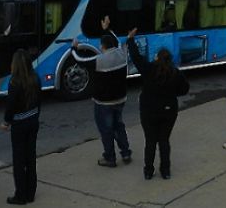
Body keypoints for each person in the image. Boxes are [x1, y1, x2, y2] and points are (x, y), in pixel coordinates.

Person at [126, 28, 190, 180]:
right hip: (168, 110)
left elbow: (136, 57)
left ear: (157, 58)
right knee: (164, 141)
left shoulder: (149, 69)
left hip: (148, 111)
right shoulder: (175, 73)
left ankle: (148, 171)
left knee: (150, 141)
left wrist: (130, 39)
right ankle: (165, 171)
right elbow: (184, 89)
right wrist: (172, 93)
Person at [71, 16, 131, 167]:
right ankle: (125, 153)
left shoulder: (100, 60)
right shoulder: (122, 54)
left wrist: (74, 47)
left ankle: (110, 158)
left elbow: (79, 60)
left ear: (103, 46)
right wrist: (107, 29)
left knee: (106, 130)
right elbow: (117, 41)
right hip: (120, 99)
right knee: (119, 126)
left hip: (104, 103)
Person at [0, 50, 41, 205]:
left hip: (19, 124)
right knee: (31, 158)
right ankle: (31, 192)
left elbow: (10, 105)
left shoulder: (14, 82)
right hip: (33, 120)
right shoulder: (35, 78)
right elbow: (39, 100)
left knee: (19, 160)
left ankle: (21, 195)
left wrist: (6, 122)